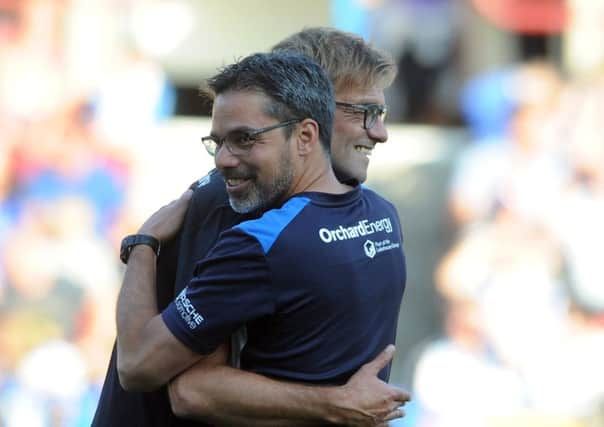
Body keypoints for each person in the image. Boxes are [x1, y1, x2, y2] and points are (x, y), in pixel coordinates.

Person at [92, 29, 405, 427]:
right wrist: (334, 403)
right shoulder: (236, 205)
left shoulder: (362, 209)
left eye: (380, 114)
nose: (378, 132)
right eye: (364, 112)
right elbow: (188, 387)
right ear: (312, 110)